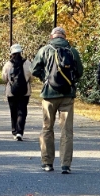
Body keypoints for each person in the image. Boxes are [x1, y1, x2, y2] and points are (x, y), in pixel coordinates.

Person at [31, 26, 83, 174]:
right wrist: (70, 82)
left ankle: (47, 162)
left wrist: (45, 78)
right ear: (64, 36)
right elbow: (79, 71)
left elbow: (34, 69)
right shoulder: (72, 51)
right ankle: (65, 164)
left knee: (47, 128)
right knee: (67, 130)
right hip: (67, 95)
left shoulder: (45, 50)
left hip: (49, 94)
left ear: (52, 36)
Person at [1, 44, 33, 141]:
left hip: (11, 92)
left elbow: (3, 78)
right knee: (22, 112)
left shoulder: (7, 64)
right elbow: (32, 76)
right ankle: (20, 132)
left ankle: (14, 131)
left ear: (11, 53)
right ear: (20, 52)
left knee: (13, 111)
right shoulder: (27, 63)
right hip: (25, 91)